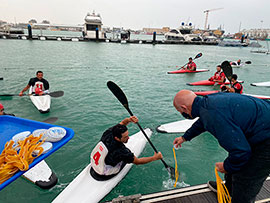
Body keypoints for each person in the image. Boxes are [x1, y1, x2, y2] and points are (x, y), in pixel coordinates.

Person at [172, 90, 270, 202]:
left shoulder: (211, 114)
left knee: (245, 178)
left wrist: (226, 166)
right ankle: (229, 190)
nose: (182, 114)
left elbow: (241, 152)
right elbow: (203, 121)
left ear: (184, 108)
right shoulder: (208, 101)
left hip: (266, 141)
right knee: (235, 162)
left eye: (180, 111)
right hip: (262, 123)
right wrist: (185, 137)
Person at [90, 116, 162, 180]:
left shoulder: (108, 132)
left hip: (94, 163)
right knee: (126, 159)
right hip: (105, 174)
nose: (129, 137)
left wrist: (129, 120)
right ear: (117, 138)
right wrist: (154, 158)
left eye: (127, 135)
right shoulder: (121, 151)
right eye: (125, 137)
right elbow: (137, 161)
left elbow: (122, 123)